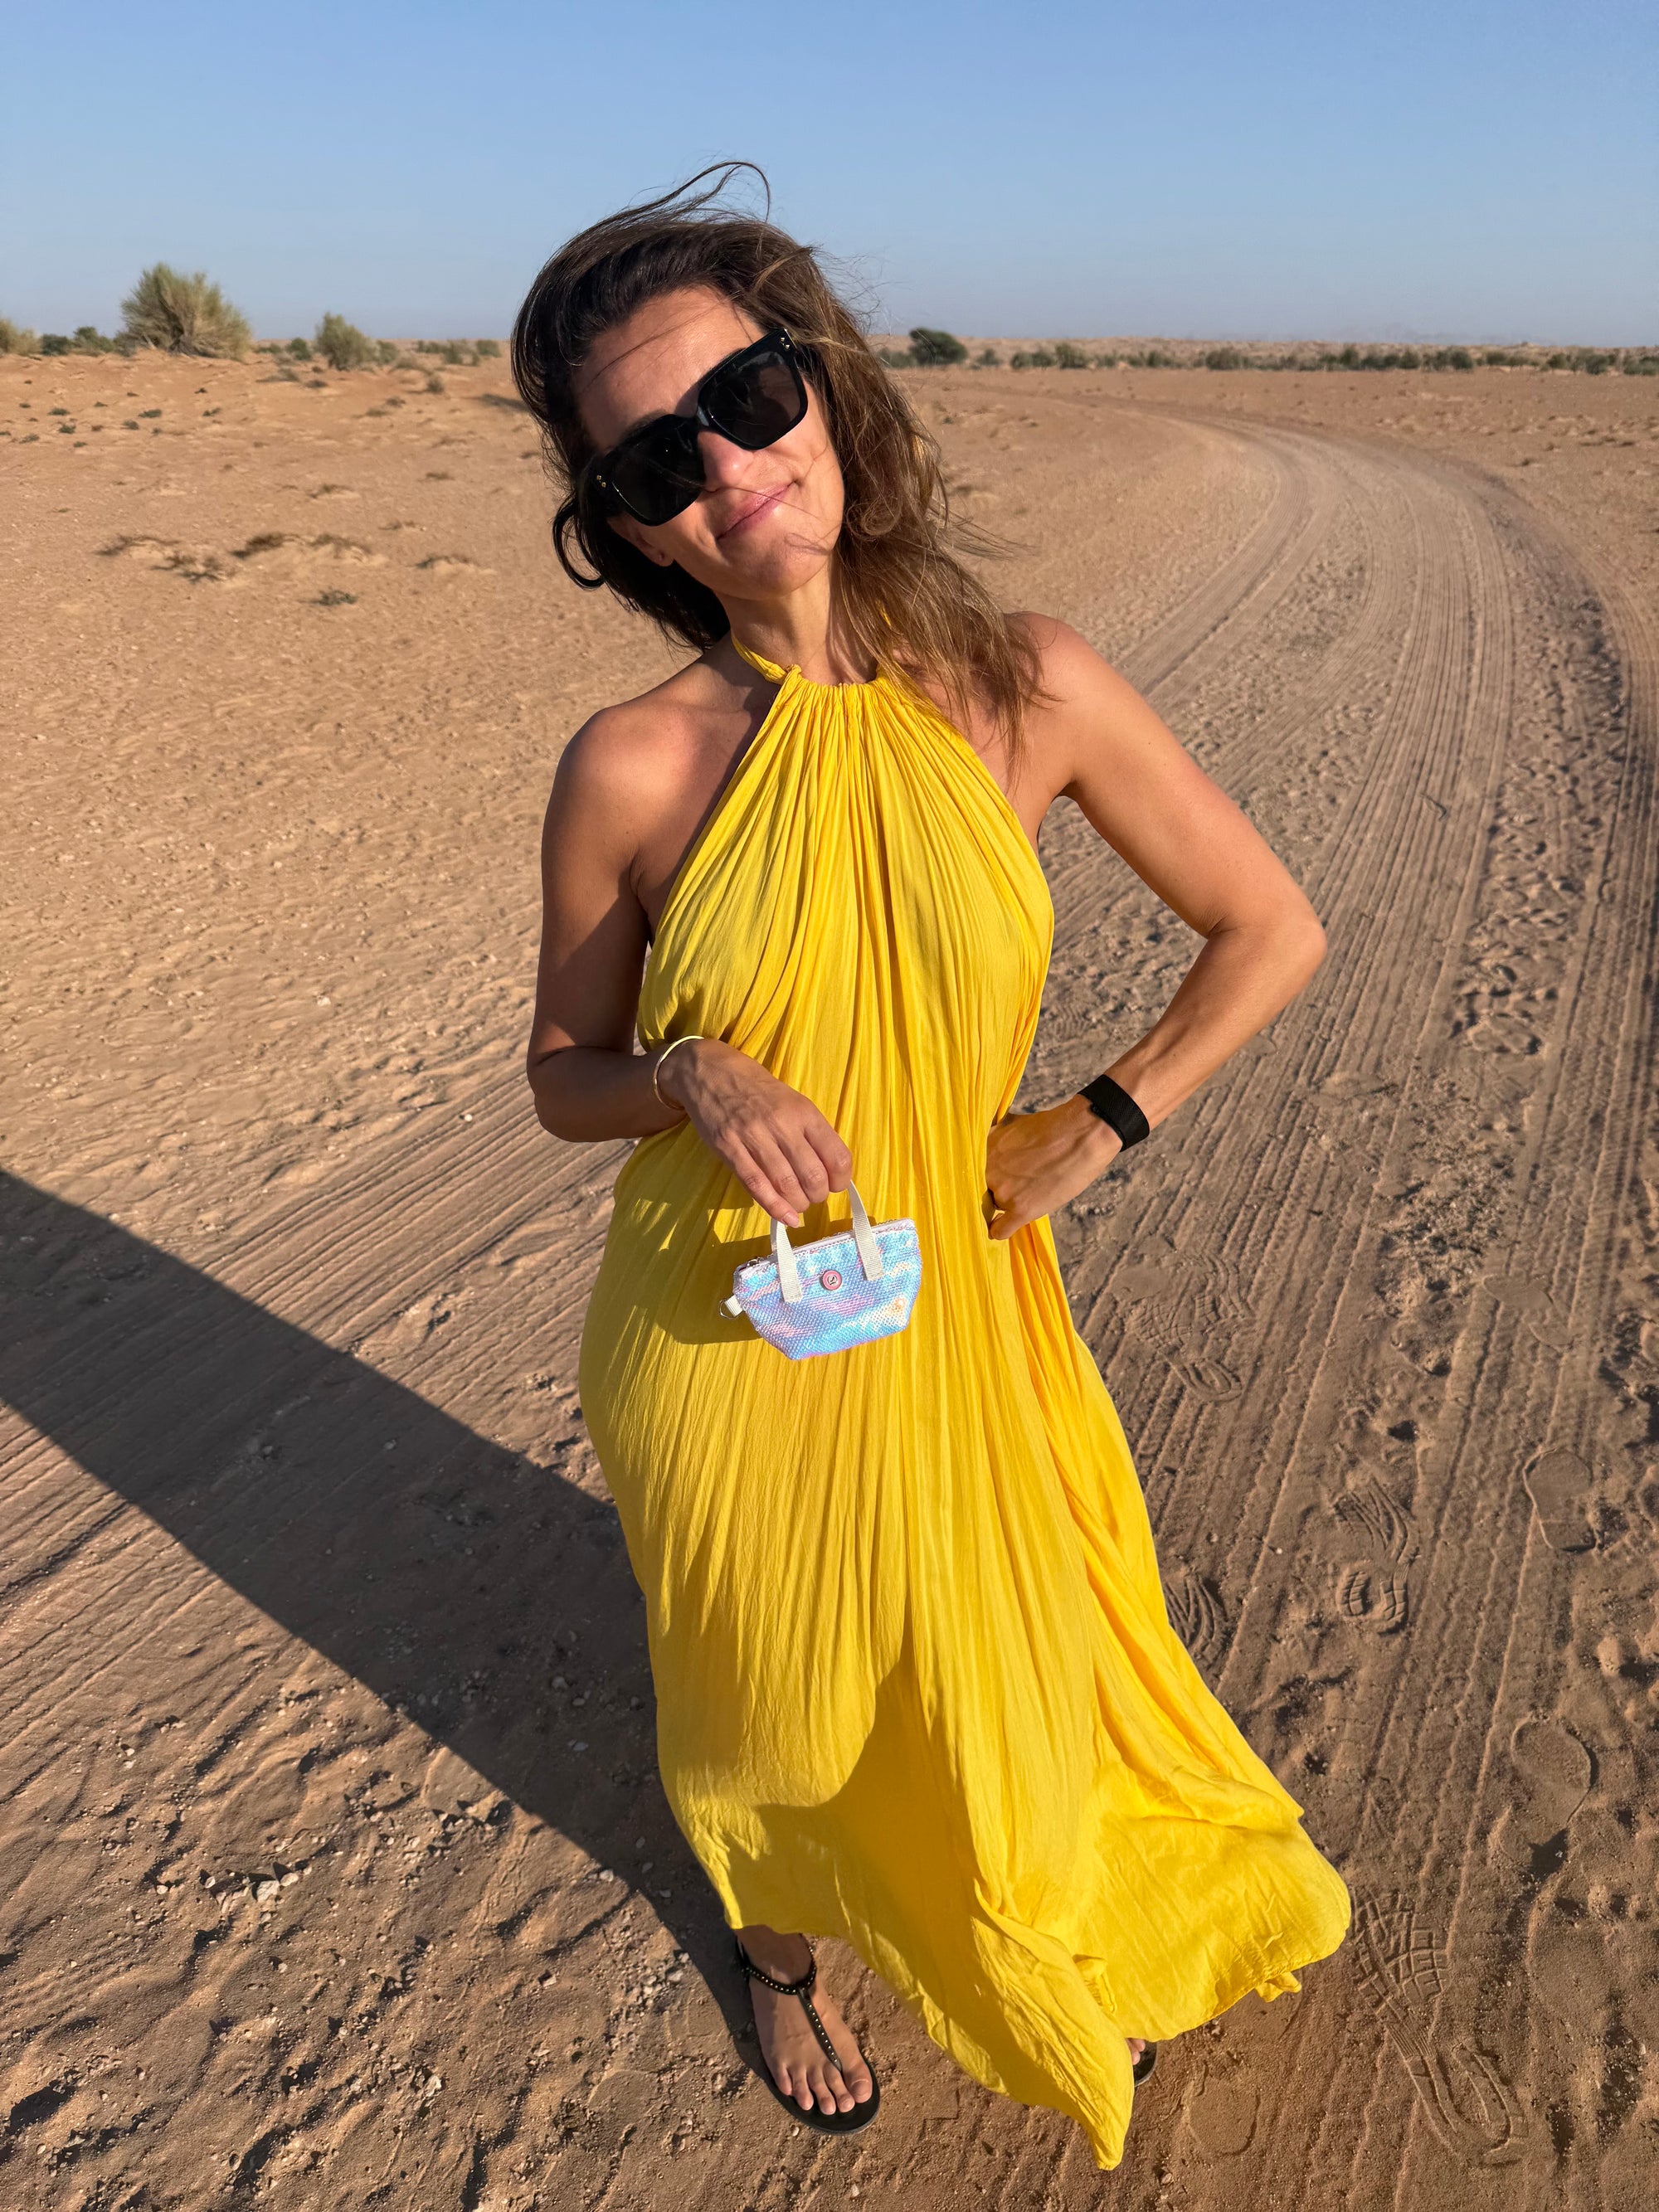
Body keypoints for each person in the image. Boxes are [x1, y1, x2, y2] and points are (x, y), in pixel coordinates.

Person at [513, 168, 1350, 2170]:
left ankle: (1027, 1933)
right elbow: (560, 1077)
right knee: (772, 1700)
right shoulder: (634, 762)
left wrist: (1108, 1110)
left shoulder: (1029, 684)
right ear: (619, 523)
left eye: (748, 394)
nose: (722, 466)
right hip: (729, 1335)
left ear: (828, 390)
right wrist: (691, 1073)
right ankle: (784, 1956)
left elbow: (1270, 927)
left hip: (960, 1296)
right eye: (650, 455)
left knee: (1013, 1664)